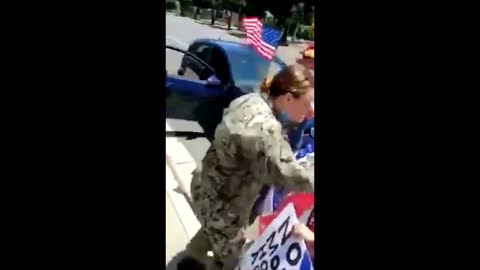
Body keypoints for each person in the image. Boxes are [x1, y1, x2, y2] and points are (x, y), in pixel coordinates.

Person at [183, 64, 315, 270]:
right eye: (307, 104)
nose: (311, 112)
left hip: (206, 186)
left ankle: (192, 255)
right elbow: (290, 175)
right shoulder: (266, 131)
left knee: (212, 230)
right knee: (234, 259)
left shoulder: (251, 100)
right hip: (223, 206)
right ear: (288, 98)